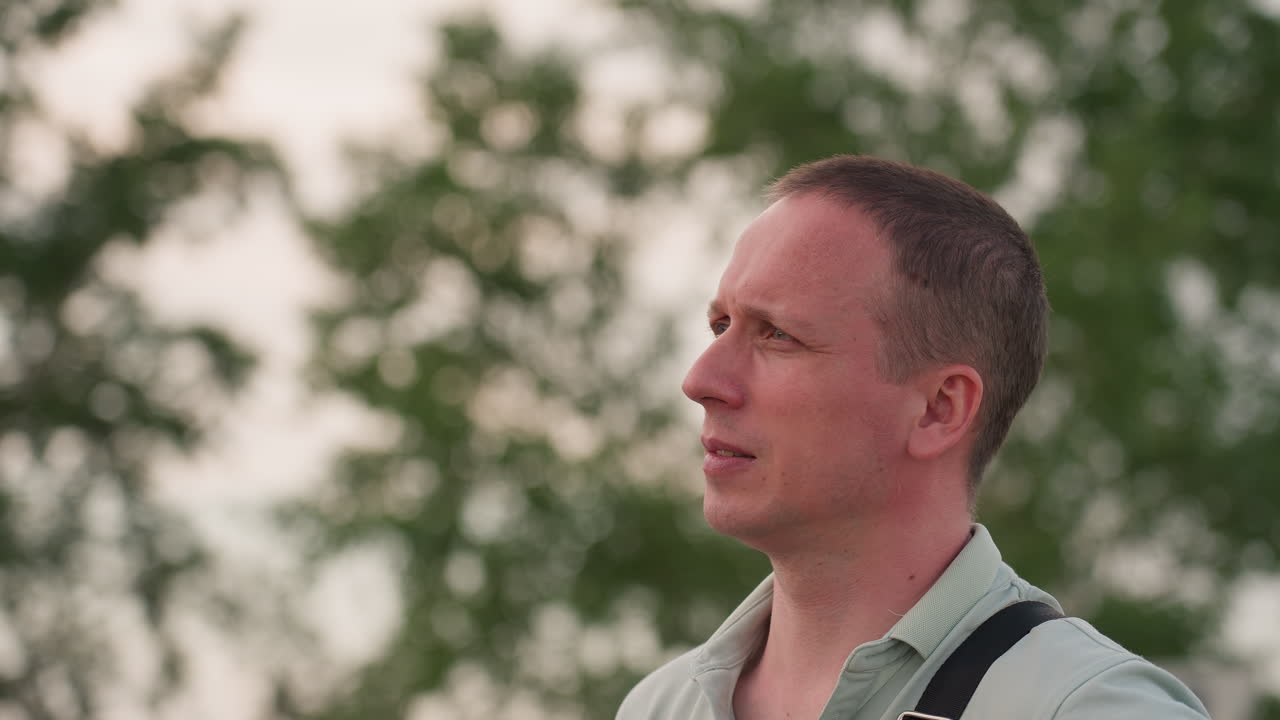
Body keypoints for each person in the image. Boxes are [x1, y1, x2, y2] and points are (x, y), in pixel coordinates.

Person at [616, 155, 1210, 720]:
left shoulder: (1090, 709)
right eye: (720, 325)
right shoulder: (659, 706)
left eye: (777, 335)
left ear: (939, 409)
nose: (701, 381)